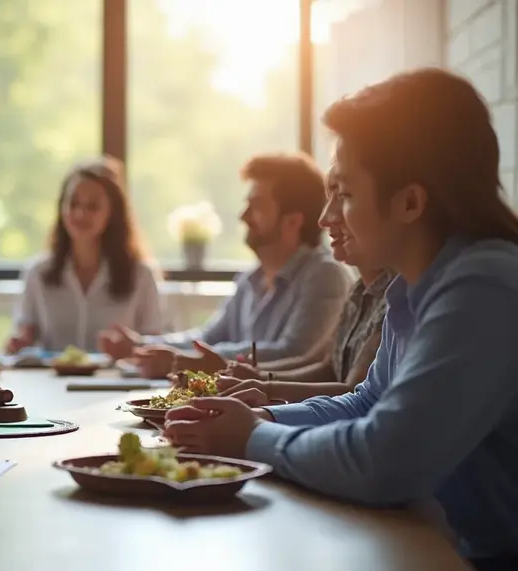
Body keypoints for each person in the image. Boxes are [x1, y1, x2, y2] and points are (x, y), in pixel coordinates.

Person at [162, 68, 518, 569]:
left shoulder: (483, 285)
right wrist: (260, 417)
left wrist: (251, 437)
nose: (328, 216)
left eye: (345, 194)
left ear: (411, 201)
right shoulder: (415, 285)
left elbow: (384, 460)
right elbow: (368, 400)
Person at [99, 153, 349, 378]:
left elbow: (293, 352)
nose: (243, 215)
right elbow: (207, 339)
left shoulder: (325, 275)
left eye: (257, 205)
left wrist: (193, 362)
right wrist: (141, 345)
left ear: (293, 221)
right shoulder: (250, 279)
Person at [214, 170, 393, 404]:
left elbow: (353, 393)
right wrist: (259, 380)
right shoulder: (359, 290)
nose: (324, 219)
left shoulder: (391, 293)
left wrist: (263, 397)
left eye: (344, 196)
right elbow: (329, 368)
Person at [5, 157, 164, 353]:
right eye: (73, 204)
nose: (80, 214)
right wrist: (18, 344)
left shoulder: (141, 275)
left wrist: (134, 347)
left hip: (116, 382)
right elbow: (24, 337)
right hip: (50, 382)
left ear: (112, 212)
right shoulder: (38, 273)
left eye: (93, 206)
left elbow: (155, 345)